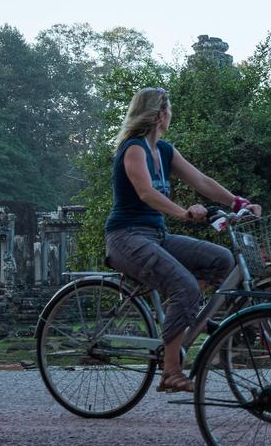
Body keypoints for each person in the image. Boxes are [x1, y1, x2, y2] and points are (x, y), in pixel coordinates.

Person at [103, 87, 261, 393]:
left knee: (222, 260)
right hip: (125, 237)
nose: (170, 117)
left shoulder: (164, 151)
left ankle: (181, 315)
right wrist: (184, 213)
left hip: (156, 236)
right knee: (184, 286)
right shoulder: (133, 149)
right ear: (161, 115)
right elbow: (146, 193)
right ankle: (171, 371)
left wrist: (237, 202)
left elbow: (201, 181)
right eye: (169, 112)